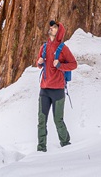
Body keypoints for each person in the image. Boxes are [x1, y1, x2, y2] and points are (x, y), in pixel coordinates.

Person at [36, 19, 77, 152]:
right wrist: (39, 62)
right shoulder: (44, 47)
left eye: (54, 27)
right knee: (41, 121)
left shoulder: (63, 49)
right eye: (51, 27)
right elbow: (39, 65)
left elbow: (74, 64)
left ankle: (66, 145)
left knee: (58, 120)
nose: (51, 29)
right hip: (44, 90)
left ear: (59, 32)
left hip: (58, 91)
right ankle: (41, 149)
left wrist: (60, 65)